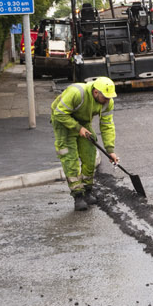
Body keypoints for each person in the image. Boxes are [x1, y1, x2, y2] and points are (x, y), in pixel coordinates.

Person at [50, 76, 117, 211]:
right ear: (96, 92)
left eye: (110, 97)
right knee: (70, 158)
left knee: (90, 155)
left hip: (83, 121)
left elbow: (107, 125)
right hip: (63, 122)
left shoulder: (107, 102)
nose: (108, 100)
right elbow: (59, 113)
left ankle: (87, 191)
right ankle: (78, 195)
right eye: (105, 97)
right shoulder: (77, 93)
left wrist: (110, 150)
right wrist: (78, 128)